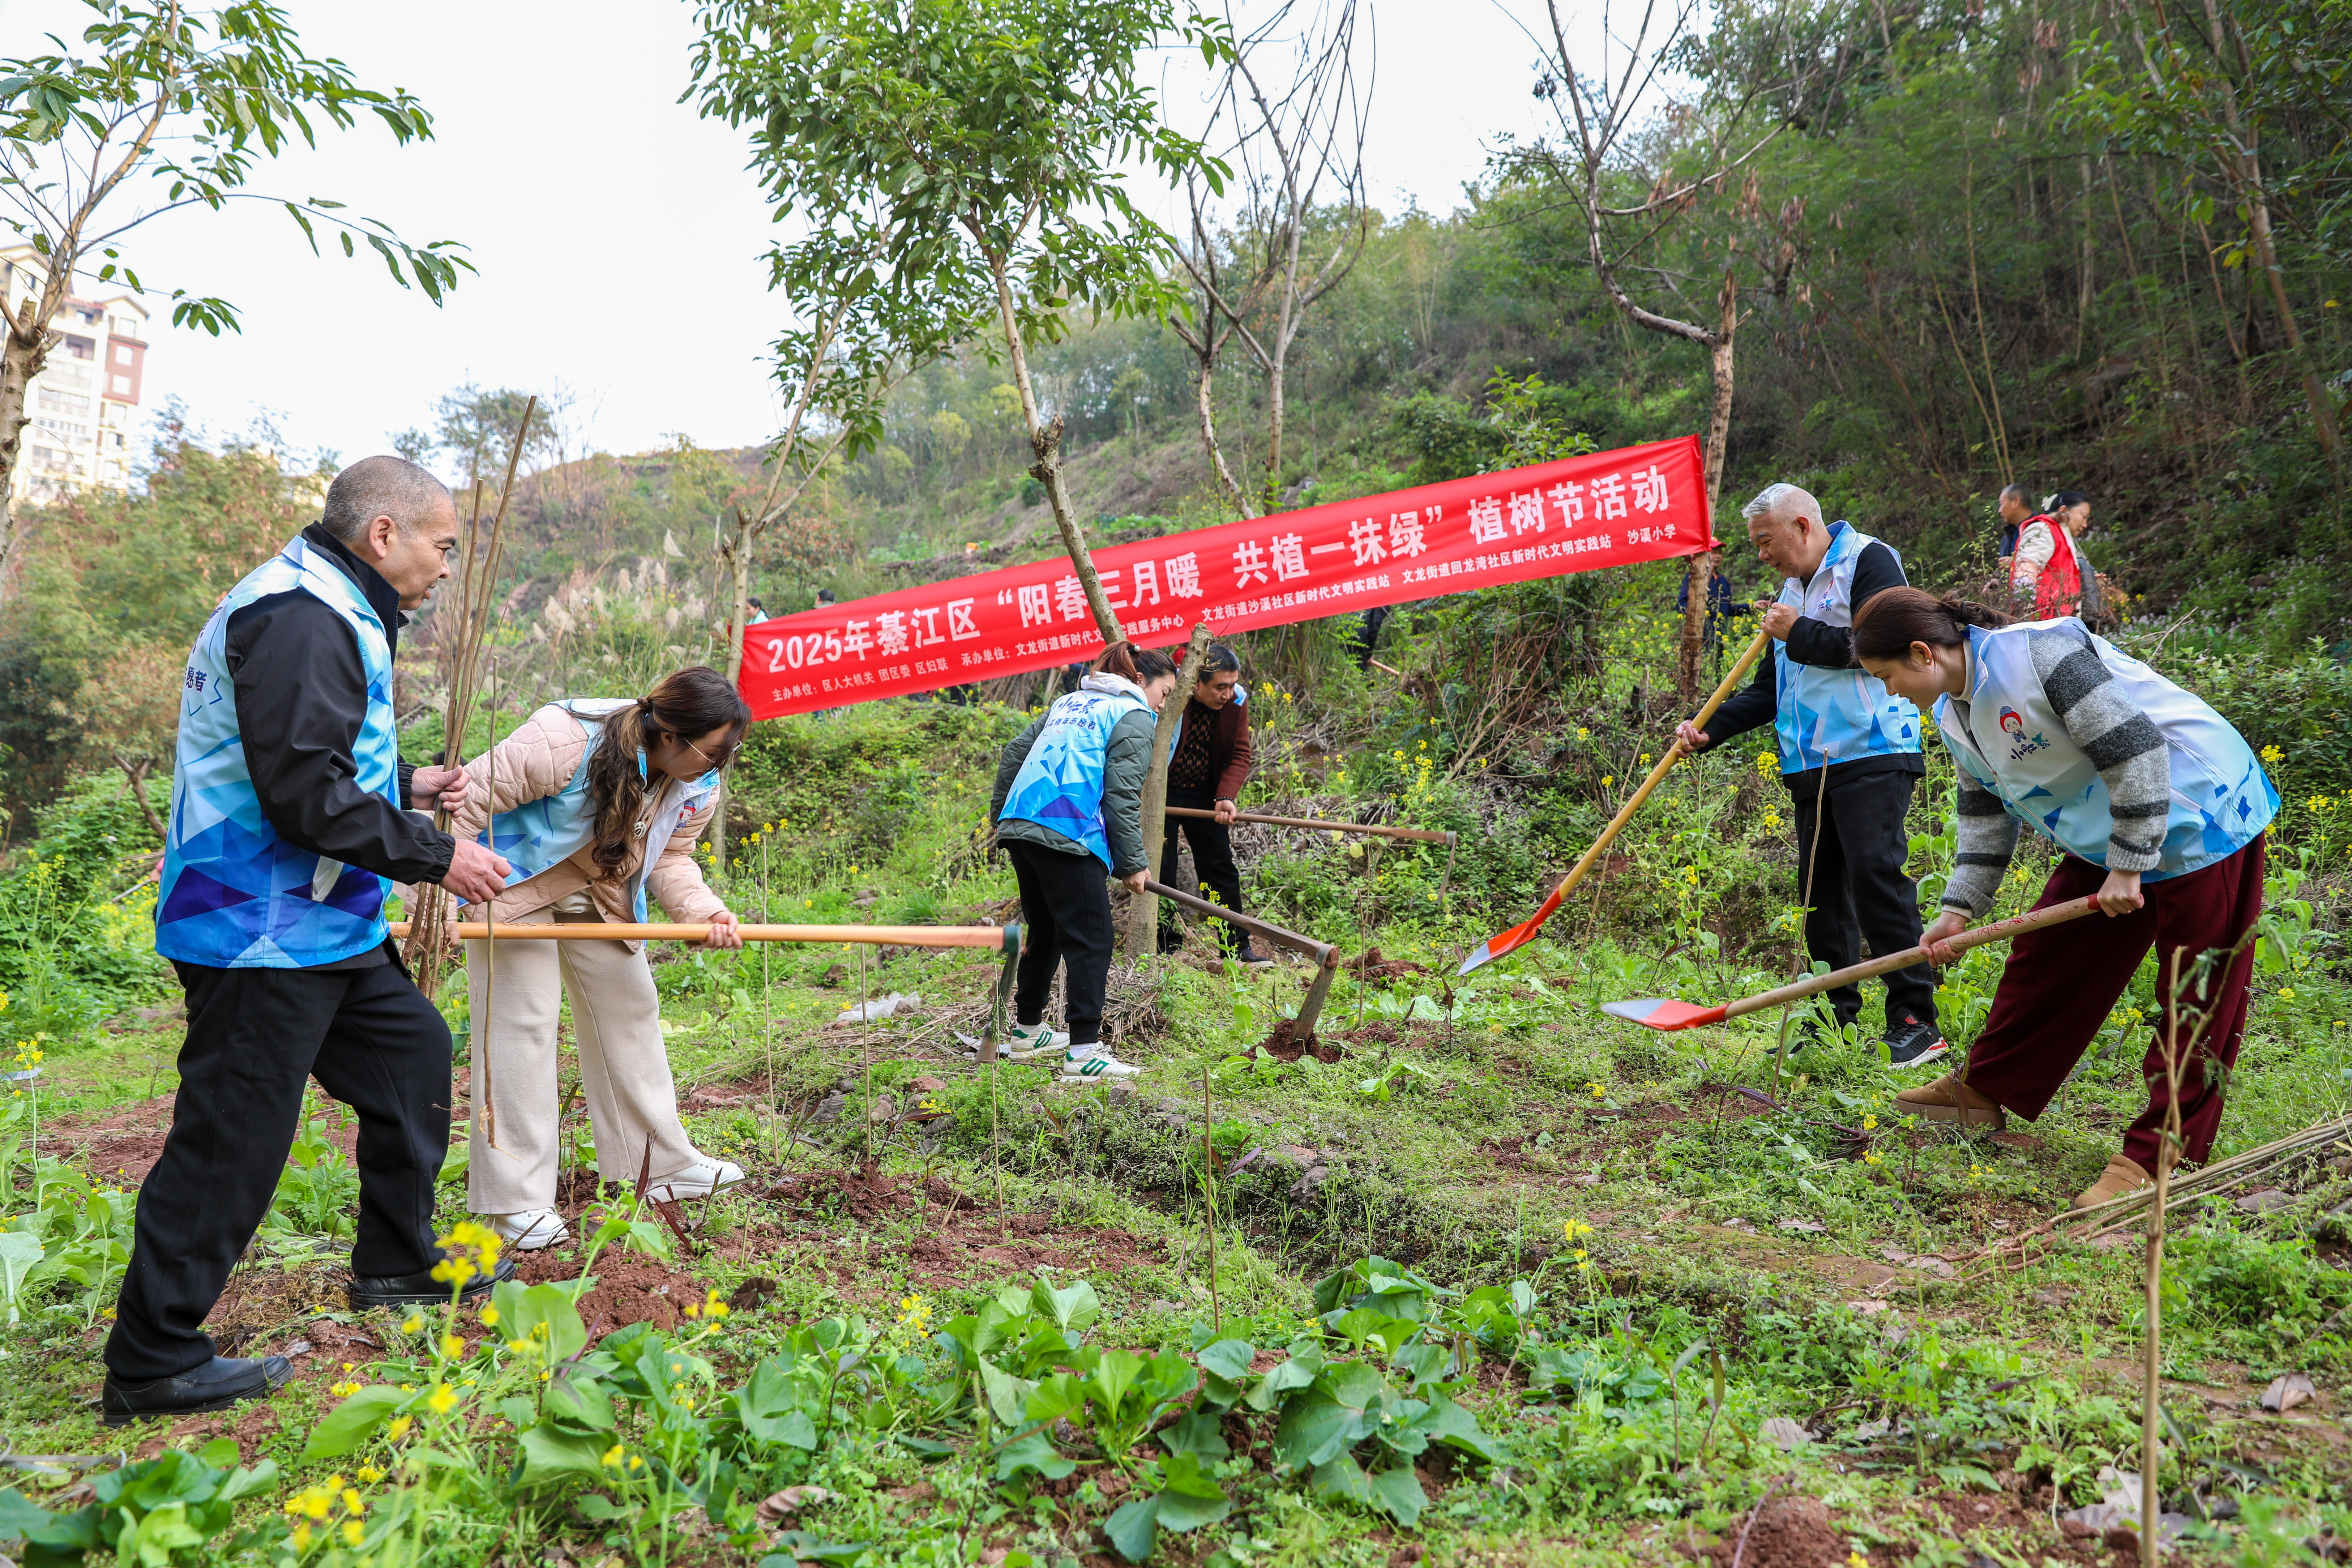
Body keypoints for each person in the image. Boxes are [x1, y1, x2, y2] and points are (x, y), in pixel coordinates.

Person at [109, 456, 516, 1425]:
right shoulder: (301, 616)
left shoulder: (325, 601)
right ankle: (154, 1359)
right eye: (443, 545)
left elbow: (315, 755)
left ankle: (394, 1267)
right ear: (385, 535)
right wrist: (435, 853)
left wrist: (408, 782)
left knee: (408, 1053)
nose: (448, 566)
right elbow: (301, 795)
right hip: (255, 925)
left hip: (320, 921)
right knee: (234, 1137)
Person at [1852, 589, 2276, 1210]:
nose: (1890, 692)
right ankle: (1982, 1091)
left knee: (2197, 988)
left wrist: (2131, 864)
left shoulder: (2042, 656)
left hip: (2199, 812)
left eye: (1887, 677)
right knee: (2050, 953)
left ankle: (2161, 1151)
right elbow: (1985, 814)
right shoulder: (1954, 711)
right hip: (2110, 828)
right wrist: (1957, 908)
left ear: (1922, 653)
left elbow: (2138, 752)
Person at [450, 667, 753, 1249]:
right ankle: (513, 1205)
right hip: (506, 885)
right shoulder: (562, 741)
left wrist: (702, 912)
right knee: (522, 1024)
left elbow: (671, 859)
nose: (721, 763)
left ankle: (657, 1168)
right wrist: (437, 897)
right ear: (672, 737)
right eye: (715, 750)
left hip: (601, 889)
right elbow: (461, 810)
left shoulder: (698, 783)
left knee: (631, 1005)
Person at [1672, 482, 1943, 1067]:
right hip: (1809, 765)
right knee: (1821, 899)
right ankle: (1831, 1022)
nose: (1761, 555)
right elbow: (1772, 692)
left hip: (1871, 752)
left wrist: (1796, 631)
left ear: (1801, 526)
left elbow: (1880, 644)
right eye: (1755, 545)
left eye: (1766, 541)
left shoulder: (1868, 561)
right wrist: (1708, 728)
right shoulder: (1790, 591)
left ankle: (1916, 1020)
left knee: (1877, 878)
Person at [989, 641, 1179, 1079]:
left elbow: (1014, 755)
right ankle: (1083, 1052)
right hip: (1068, 828)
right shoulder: (1132, 715)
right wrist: (1132, 863)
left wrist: (1003, 816)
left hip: (1022, 821)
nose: (1163, 702)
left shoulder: (1070, 700)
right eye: (1164, 692)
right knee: (1093, 938)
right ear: (1138, 681)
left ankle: (1028, 1030)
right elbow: (1120, 794)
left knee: (1050, 928)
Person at [1156, 644, 1271, 965]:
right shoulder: (1170, 694)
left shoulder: (1237, 701)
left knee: (1219, 866)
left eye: (1232, 684)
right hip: (1161, 790)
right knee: (1163, 867)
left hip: (1206, 792)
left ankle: (1235, 947)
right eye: (1220, 686)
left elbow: (1239, 754)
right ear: (1196, 684)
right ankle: (1164, 948)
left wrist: (1226, 797)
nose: (1228, 693)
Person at [2012, 490, 2092, 619]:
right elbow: (2026, 568)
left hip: (2056, 621)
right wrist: (2024, 613)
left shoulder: (2060, 536)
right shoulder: (2043, 530)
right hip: (2043, 623)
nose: (2085, 524)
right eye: (2084, 516)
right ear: (2064, 510)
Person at [1676, 545, 1754, 663]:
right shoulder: (1694, 577)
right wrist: (1698, 614)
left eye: (1720, 553)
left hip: (1720, 637)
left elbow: (1729, 608)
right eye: (1714, 552)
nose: (1718, 556)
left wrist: (1752, 607)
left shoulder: (1722, 580)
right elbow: (1681, 605)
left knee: (1719, 672)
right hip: (1702, 638)